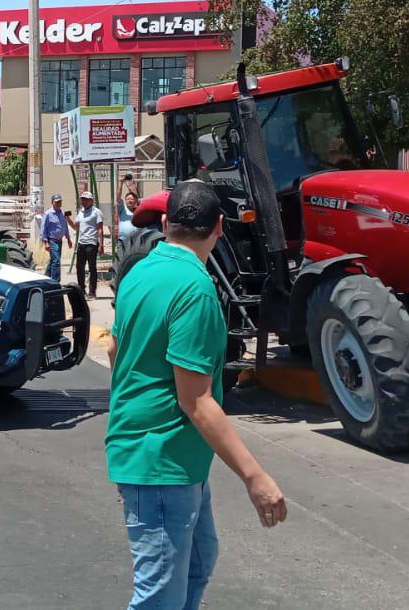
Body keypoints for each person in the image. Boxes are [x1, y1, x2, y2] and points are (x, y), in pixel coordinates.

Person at [106, 181, 286, 608]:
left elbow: (115, 348)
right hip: (161, 460)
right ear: (220, 227)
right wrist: (255, 477)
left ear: (166, 223)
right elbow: (197, 401)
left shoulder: (140, 271)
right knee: (158, 597)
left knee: (198, 565)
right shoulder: (195, 289)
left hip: (167, 459)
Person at [71, 191, 104, 298]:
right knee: (79, 268)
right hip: (81, 243)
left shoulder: (96, 212)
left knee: (92, 268)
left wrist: (101, 244)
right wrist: (67, 219)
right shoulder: (80, 212)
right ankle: (81, 289)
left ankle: (92, 292)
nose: (83, 201)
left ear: (91, 200)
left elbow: (100, 229)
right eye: (82, 199)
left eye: (85, 199)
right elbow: (76, 227)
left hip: (91, 243)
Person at [40, 194, 72, 282]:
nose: (58, 203)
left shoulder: (62, 213)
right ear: (52, 202)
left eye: (60, 202)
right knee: (56, 261)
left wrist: (68, 238)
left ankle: (45, 279)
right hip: (52, 240)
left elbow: (64, 226)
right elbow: (43, 229)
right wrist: (46, 242)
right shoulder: (48, 214)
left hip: (59, 241)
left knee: (53, 261)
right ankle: (55, 282)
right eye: (56, 202)